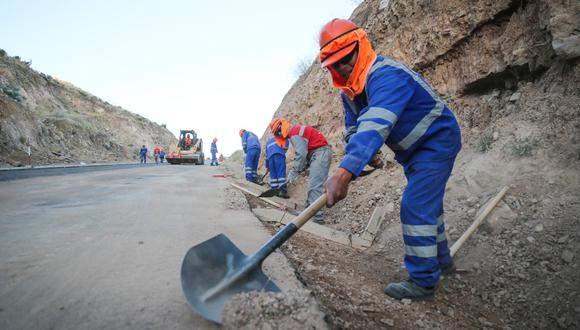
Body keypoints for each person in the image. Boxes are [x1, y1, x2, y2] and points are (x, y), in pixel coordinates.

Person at [319, 19, 462, 300]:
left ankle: (423, 282)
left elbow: (375, 124)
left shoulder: (386, 75)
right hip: (412, 151)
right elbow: (354, 128)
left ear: (361, 47)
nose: (342, 67)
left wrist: (344, 171)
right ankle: (443, 263)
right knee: (428, 206)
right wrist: (362, 150)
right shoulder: (349, 92)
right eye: (334, 64)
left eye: (346, 58)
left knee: (415, 205)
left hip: (437, 142)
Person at [269, 118, 331, 223]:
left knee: (315, 186)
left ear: (280, 129)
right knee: (313, 185)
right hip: (318, 154)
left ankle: (317, 218)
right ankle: (308, 212)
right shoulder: (296, 131)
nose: (279, 136)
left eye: (277, 134)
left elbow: (301, 154)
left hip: (320, 154)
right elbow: (306, 150)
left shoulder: (294, 133)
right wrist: (304, 166)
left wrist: (294, 172)